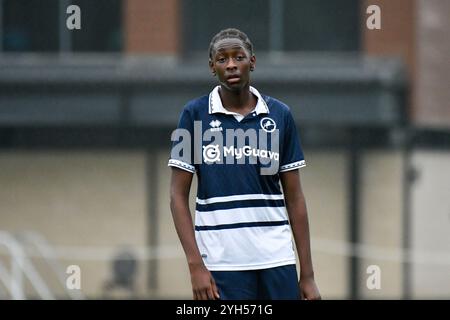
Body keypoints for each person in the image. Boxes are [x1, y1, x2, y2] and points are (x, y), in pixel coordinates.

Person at [168, 28, 321, 300]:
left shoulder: (280, 115)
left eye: (238, 57)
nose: (230, 65)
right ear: (212, 67)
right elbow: (177, 197)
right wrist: (195, 266)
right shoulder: (193, 114)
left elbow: (295, 198)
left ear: (252, 61)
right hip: (220, 264)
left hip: (277, 261)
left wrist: (307, 274)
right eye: (221, 59)